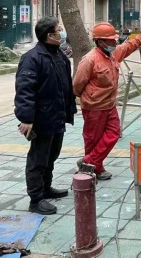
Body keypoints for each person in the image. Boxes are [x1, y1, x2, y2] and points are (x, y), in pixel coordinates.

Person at [73, 22, 141, 180]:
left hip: (109, 105)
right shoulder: (90, 60)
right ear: (100, 41)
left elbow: (128, 46)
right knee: (93, 139)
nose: (115, 43)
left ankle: (88, 162)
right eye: (111, 40)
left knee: (114, 133)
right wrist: (87, 98)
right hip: (94, 107)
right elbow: (78, 83)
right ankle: (95, 168)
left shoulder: (113, 54)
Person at [14, 17, 77, 215]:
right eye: (59, 29)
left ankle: (46, 188)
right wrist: (26, 118)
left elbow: (65, 87)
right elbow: (25, 90)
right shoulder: (32, 58)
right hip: (41, 119)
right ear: (50, 35)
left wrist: (69, 110)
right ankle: (36, 199)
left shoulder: (59, 56)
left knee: (52, 155)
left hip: (57, 116)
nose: (62, 32)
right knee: (38, 159)